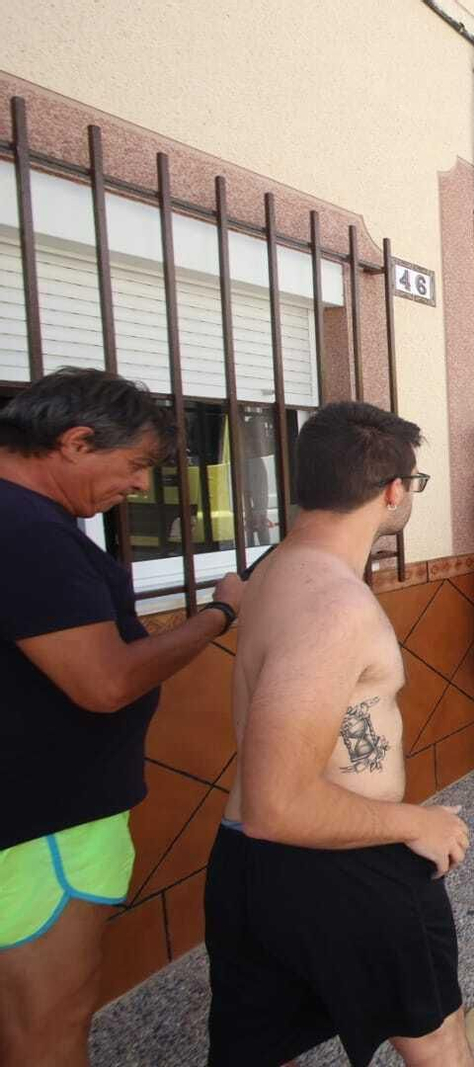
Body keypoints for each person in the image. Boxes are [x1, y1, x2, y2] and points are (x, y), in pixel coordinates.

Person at [204, 402, 474, 1067]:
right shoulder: (334, 603)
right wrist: (415, 822)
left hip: (248, 869)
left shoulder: (267, 576)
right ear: (392, 491)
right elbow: (280, 802)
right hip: (342, 862)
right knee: (441, 1047)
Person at [0, 368, 245, 1066]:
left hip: (33, 820)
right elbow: (104, 681)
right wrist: (219, 615)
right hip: (42, 828)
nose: (140, 487)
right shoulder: (27, 531)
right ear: (76, 442)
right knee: (48, 1019)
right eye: (136, 465)